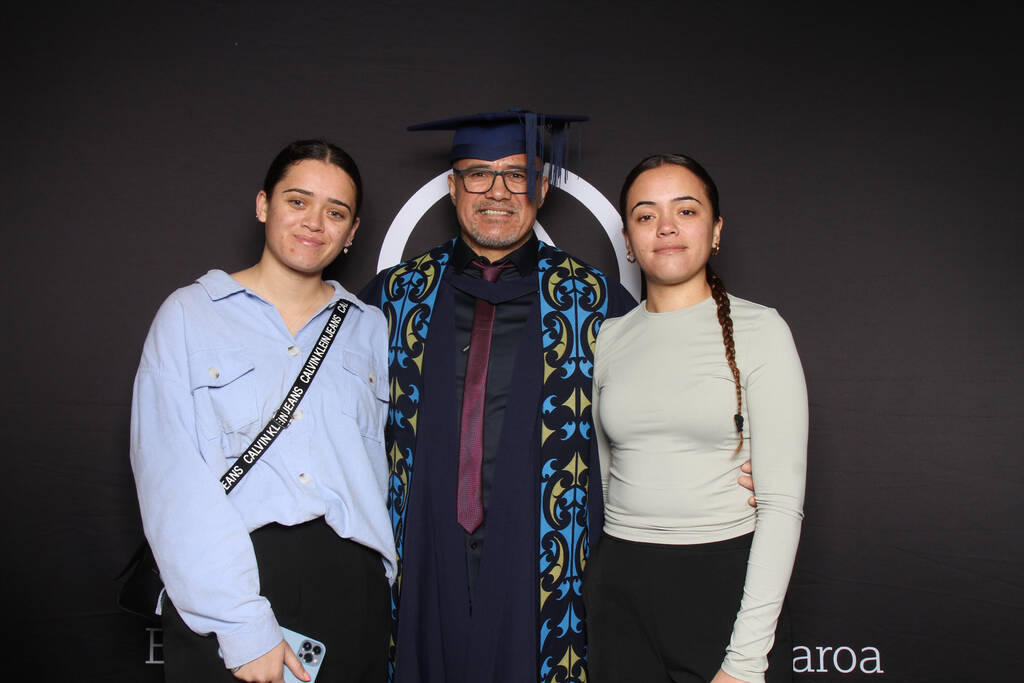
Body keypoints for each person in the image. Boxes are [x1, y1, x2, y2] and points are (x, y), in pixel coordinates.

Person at [360, 110, 636, 683]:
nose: (498, 192)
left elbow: (652, 420)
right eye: (479, 174)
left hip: (547, 563)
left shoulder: (596, 302)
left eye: (518, 175)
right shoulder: (393, 299)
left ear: (542, 189)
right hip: (420, 558)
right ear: (453, 186)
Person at [130, 139, 396, 683]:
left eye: (335, 212)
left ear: (352, 232)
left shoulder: (370, 327)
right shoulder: (189, 314)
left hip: (352, 590)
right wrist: (242, 623)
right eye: (298, 201)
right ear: (263, 205)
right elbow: (170, 477)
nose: (314, 222)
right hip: (230, 580)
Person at [584, 154, 808, 683]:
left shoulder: (762, 330)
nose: (666, 227)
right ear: (628, 240)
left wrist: (746, 658)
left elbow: (782, 505)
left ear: (716, 230)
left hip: (722, 583)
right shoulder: (610, 337)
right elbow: (607, 475)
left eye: (685, 211)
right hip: (620, 587)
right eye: (646, 215)